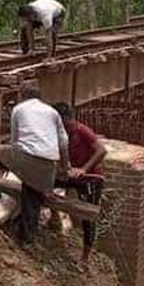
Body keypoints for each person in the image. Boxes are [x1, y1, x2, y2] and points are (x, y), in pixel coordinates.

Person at [0, 82, 69, 245]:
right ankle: (27, 239)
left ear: (22, 95)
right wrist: (64, 166)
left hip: (28, 157)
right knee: (31, 196)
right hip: (49, 164)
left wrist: (10, 163)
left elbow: (15, 141)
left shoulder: (19, 109)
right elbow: (63, 142)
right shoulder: (52, 112)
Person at [49, 103, 108, 263]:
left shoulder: (82, 131)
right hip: (70, 174)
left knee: (89, 216)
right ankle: (54, 218)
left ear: (67, 119)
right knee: (45, 184)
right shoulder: (59, 133)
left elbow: (101, 150)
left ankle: (85, 257)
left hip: (90, 177)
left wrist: (83, 169)